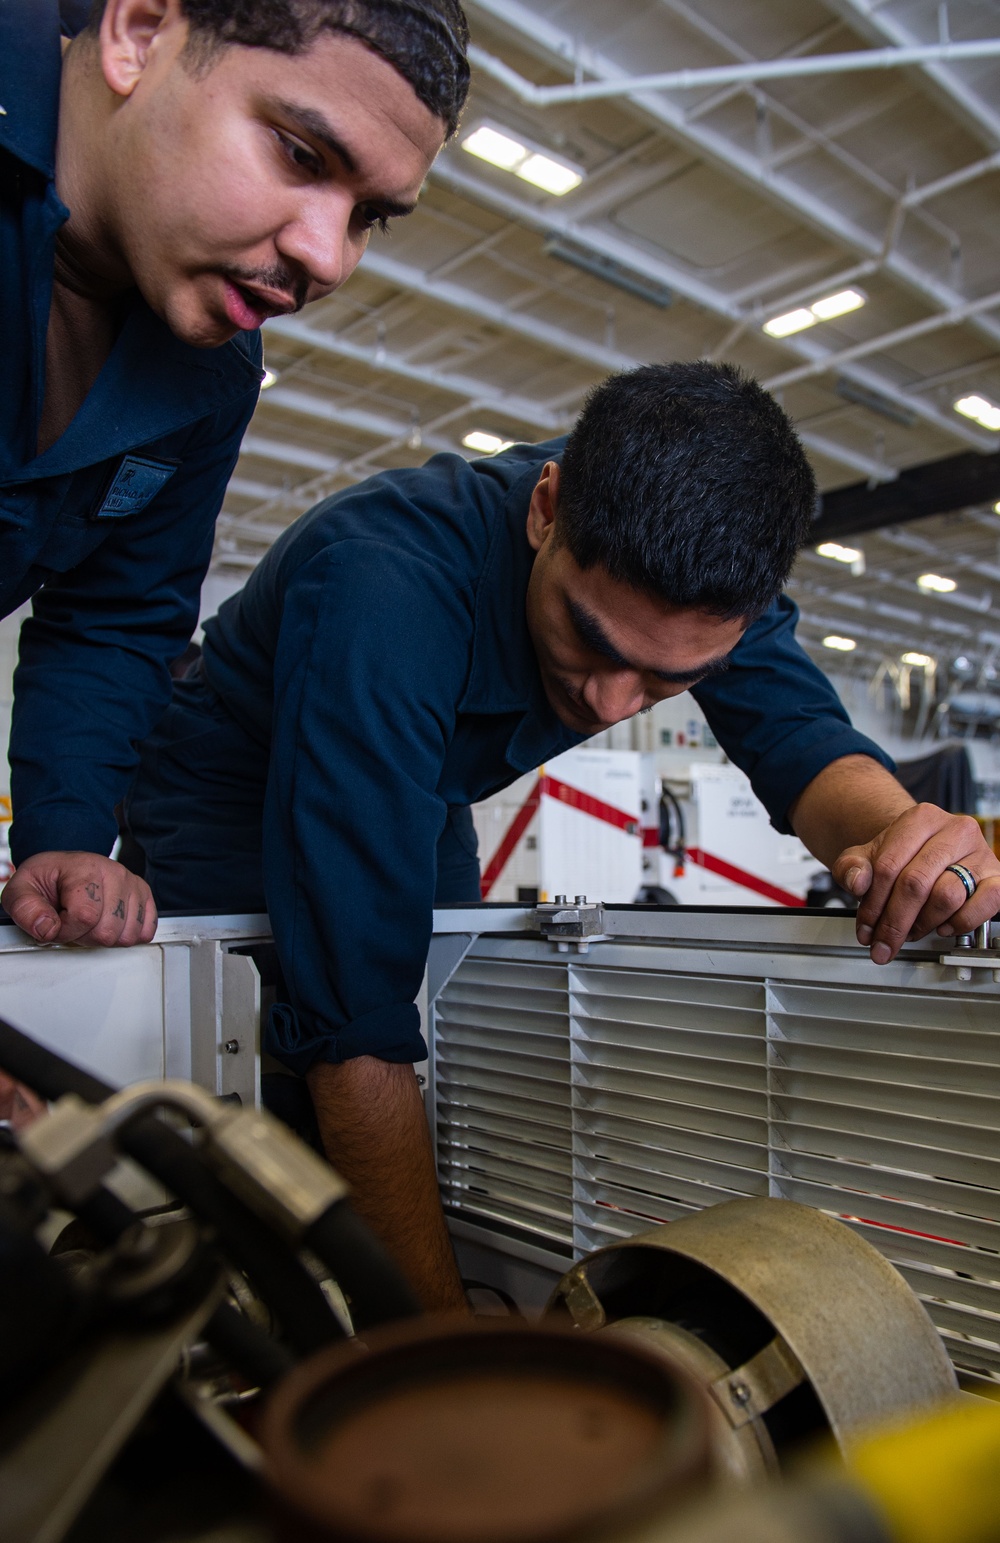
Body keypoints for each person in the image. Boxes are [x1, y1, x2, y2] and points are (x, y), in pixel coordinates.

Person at [124, 361, 1000, 1309]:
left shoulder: (703, 573)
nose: (607, 702)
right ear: (546, 510)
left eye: (666, 682)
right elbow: (354, 1026)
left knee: (444, 1008)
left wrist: (900, 831)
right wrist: (439, 1336)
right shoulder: (384, 582)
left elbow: (798, 738)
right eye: (591, 638)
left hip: (427, 777)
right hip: (222, 780)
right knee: (281, 1045)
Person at [0, 0, 467, 950]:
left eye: (369, 215)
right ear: (137, 34)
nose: (325, 258)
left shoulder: (210, 367)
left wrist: (66, 836)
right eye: (300, 153)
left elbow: (114, 617)